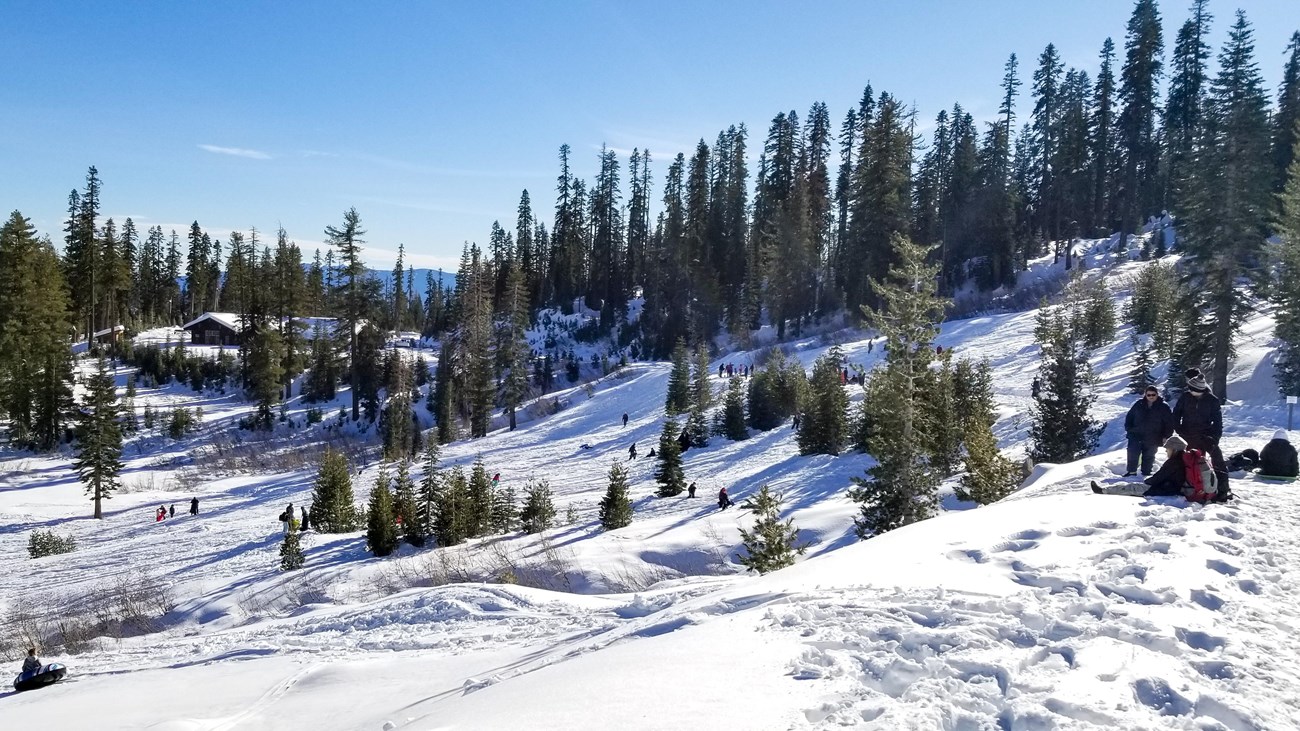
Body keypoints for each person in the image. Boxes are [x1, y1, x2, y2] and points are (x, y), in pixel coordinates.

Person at [1174, 369, 1229, 497]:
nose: (1191, 392)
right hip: (1187, 435)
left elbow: (1218, 422)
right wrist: (1179, 430)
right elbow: (1176, 414)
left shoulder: (1212, 400)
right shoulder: (1185, 397)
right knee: (1183, 461)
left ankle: (1222, 490)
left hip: (1206, 436)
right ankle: (1183, 485)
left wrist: (1215, 438)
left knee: (1218, 461)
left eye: (1193, 390)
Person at [1092, 435, 1191, 497]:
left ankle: (1103, 491)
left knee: (1132, 487)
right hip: (1171, 488)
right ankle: (1105, 490)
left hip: (1165, 489)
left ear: (1175, 449)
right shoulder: (1182, 460)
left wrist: (1147, 482)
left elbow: (1159, 477)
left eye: (1168, 448)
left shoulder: (1173, 462)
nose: (1166, 451)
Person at [1122, 386, 1174, 476]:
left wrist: (1166, 436)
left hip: (1153, 436)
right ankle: (1131, 472)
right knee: (1132, 453)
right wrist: (1129, 428)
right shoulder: (1139, 404)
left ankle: (1146, 473)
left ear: (1157, 394)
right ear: (1145, 395)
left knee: (1149, 456)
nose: (1151, 396)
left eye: (1153, 394)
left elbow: (1169, 423)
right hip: (1136, 434)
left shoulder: (1163, 407)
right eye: (1148, 395)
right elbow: (1129, 416)